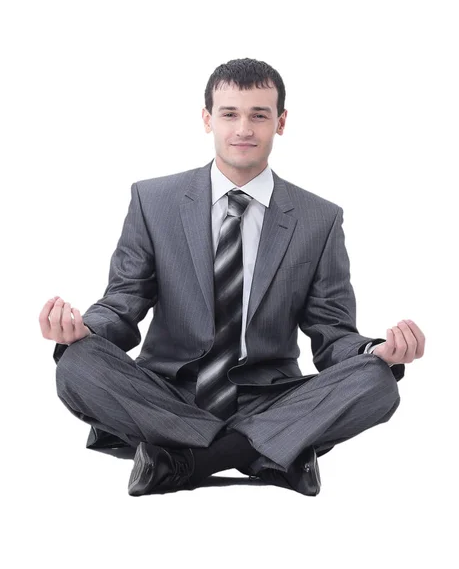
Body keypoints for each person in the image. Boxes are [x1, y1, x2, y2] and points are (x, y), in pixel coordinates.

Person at [39, 58, 425, 497]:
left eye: (259, 115)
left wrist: (377, 351)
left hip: (269, 395)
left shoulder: (319, 219)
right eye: (230, 114)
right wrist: (83, 329)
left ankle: (185, 460)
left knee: (376, 381)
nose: (244, 128)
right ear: (208, 119)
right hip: (168, 394)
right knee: (76, 364)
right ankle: (268, 451)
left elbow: (333, 334)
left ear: (280, 122)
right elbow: (123, 301)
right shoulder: (153, 201)